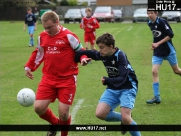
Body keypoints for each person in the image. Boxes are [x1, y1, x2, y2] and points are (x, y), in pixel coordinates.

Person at [24, 11, 87, 136]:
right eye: (45, 28)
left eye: (49, 27)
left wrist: (83, 58)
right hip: (48, 78)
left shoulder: (69, 35)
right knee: (38, 108)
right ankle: (54, 123)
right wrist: (29, 67)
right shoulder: (42, 36)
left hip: (67, 78)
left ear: (57, 22)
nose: (47, 30)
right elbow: (38, 53)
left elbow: (80, 50)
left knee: (64, 113)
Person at [75, 33, 141, 136]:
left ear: (111, 47)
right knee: (100, 114)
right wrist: (81, 57)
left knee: (127, 118)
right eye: (99, 47)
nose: (99, 50)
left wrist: (107, 81)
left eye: (102, 48)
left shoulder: (120, 56)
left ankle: (126, 120)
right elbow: (89, 53)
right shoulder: (103, 54)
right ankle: (123, 119)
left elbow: (123, 78)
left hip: (127, 87)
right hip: (114, 86)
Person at [146, 10, 181, 104]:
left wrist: (157, 43)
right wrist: (154, 44)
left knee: (176, 70)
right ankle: (156, 97)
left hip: (168, 50)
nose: (150, 15)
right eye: (148, 13)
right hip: (158, 51)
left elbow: (170, 35)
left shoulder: (162, 21)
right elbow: (156, 35)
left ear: (156, 13)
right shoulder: (149, 23)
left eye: (152, 13)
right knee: (154, 71)